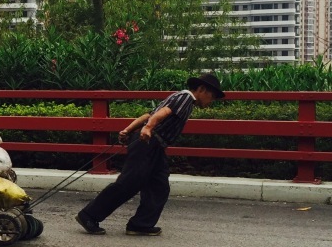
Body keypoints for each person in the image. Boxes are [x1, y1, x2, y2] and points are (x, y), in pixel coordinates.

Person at [75, 73, 225, 236]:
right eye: (212, 96)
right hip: (148, 142)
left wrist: (128, 130)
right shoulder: (186, 99)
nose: (211, 101)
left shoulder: (179, 97)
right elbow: (162, 114)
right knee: (129, 183)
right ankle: (89, 215)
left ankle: (140, 224)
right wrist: (147, 128)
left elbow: (149, 115)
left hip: (156, 146)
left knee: (159, 186)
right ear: (201, 89)